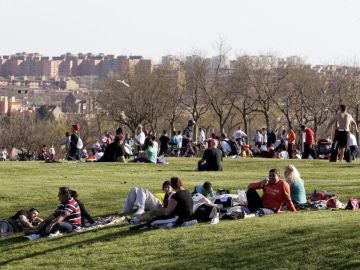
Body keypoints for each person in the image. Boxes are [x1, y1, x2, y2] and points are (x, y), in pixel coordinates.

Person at [130, 177, 194, 227]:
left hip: (177, 217)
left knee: (153, 216)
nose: (166, 189)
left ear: (172, 187)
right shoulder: (186, 192)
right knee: (151, 212)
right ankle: (136, 219)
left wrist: (159, 213)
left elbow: (168, 211)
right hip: (184, 215)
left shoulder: (175, 195)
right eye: (165, 187)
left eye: (168, 186)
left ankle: (135, 220)